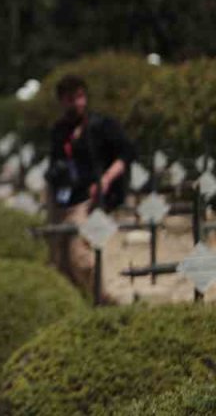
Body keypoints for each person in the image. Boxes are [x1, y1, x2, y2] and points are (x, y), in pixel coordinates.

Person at [45, 74, 134, 295]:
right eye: (70, 98)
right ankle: (75, 301)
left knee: (81, 256)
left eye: (80, 97)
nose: (76, 103)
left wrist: (105, 180)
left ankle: (101, 300)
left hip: (87, 199)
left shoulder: (102, 125)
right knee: (59, 260)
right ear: (62, 101)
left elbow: (127, 153)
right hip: (61, 198)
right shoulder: (59, 129)